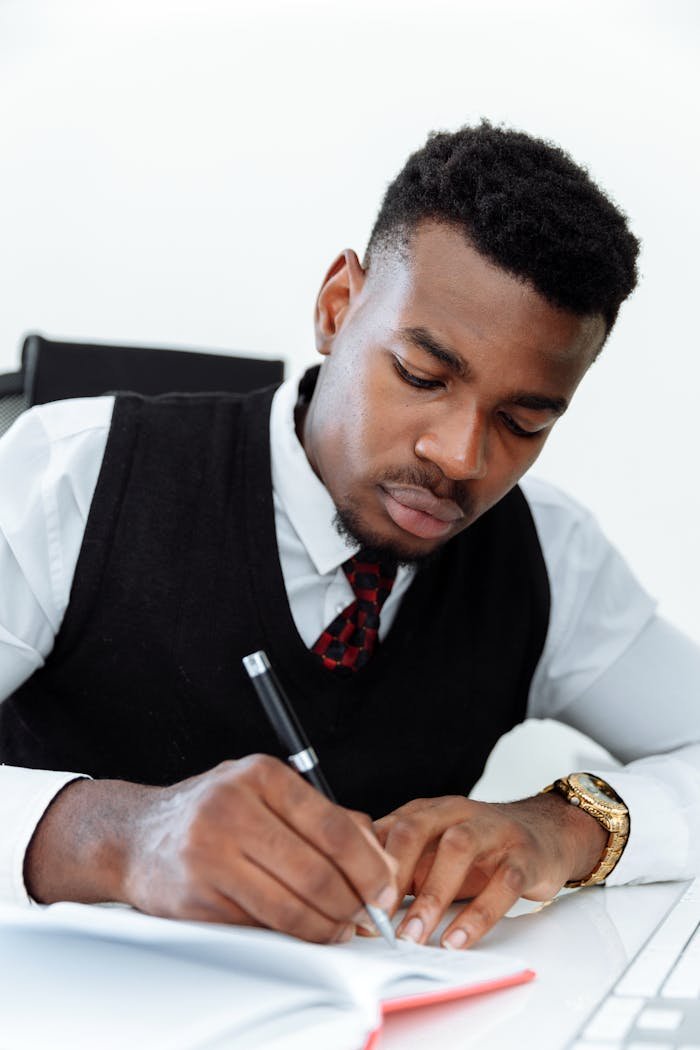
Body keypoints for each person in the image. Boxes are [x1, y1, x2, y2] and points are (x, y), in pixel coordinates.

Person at [0, 122, 698, 952]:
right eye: (421, 376)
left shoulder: (549, 557)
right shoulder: (73, 474)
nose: (460, 456)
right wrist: (113, 836)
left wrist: (568, 827)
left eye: (523, 421)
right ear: (338, 307)